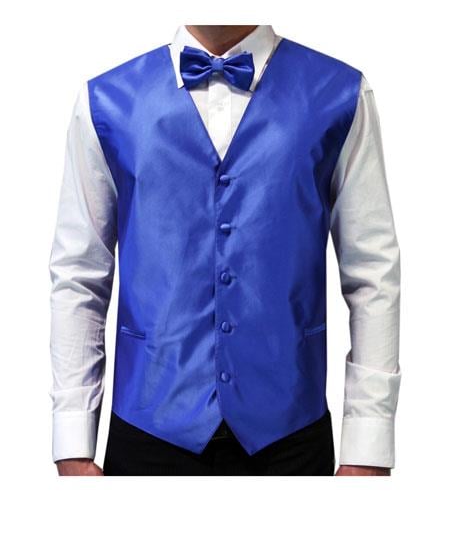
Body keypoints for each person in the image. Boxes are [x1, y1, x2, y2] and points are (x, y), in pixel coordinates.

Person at [48, 24, 401, 476]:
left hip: (290, 436)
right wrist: (73, 443)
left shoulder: (340, 93)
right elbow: (79, 275)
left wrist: (368, 448)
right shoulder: (105, 101)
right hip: (147, 433)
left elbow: (373, 273)